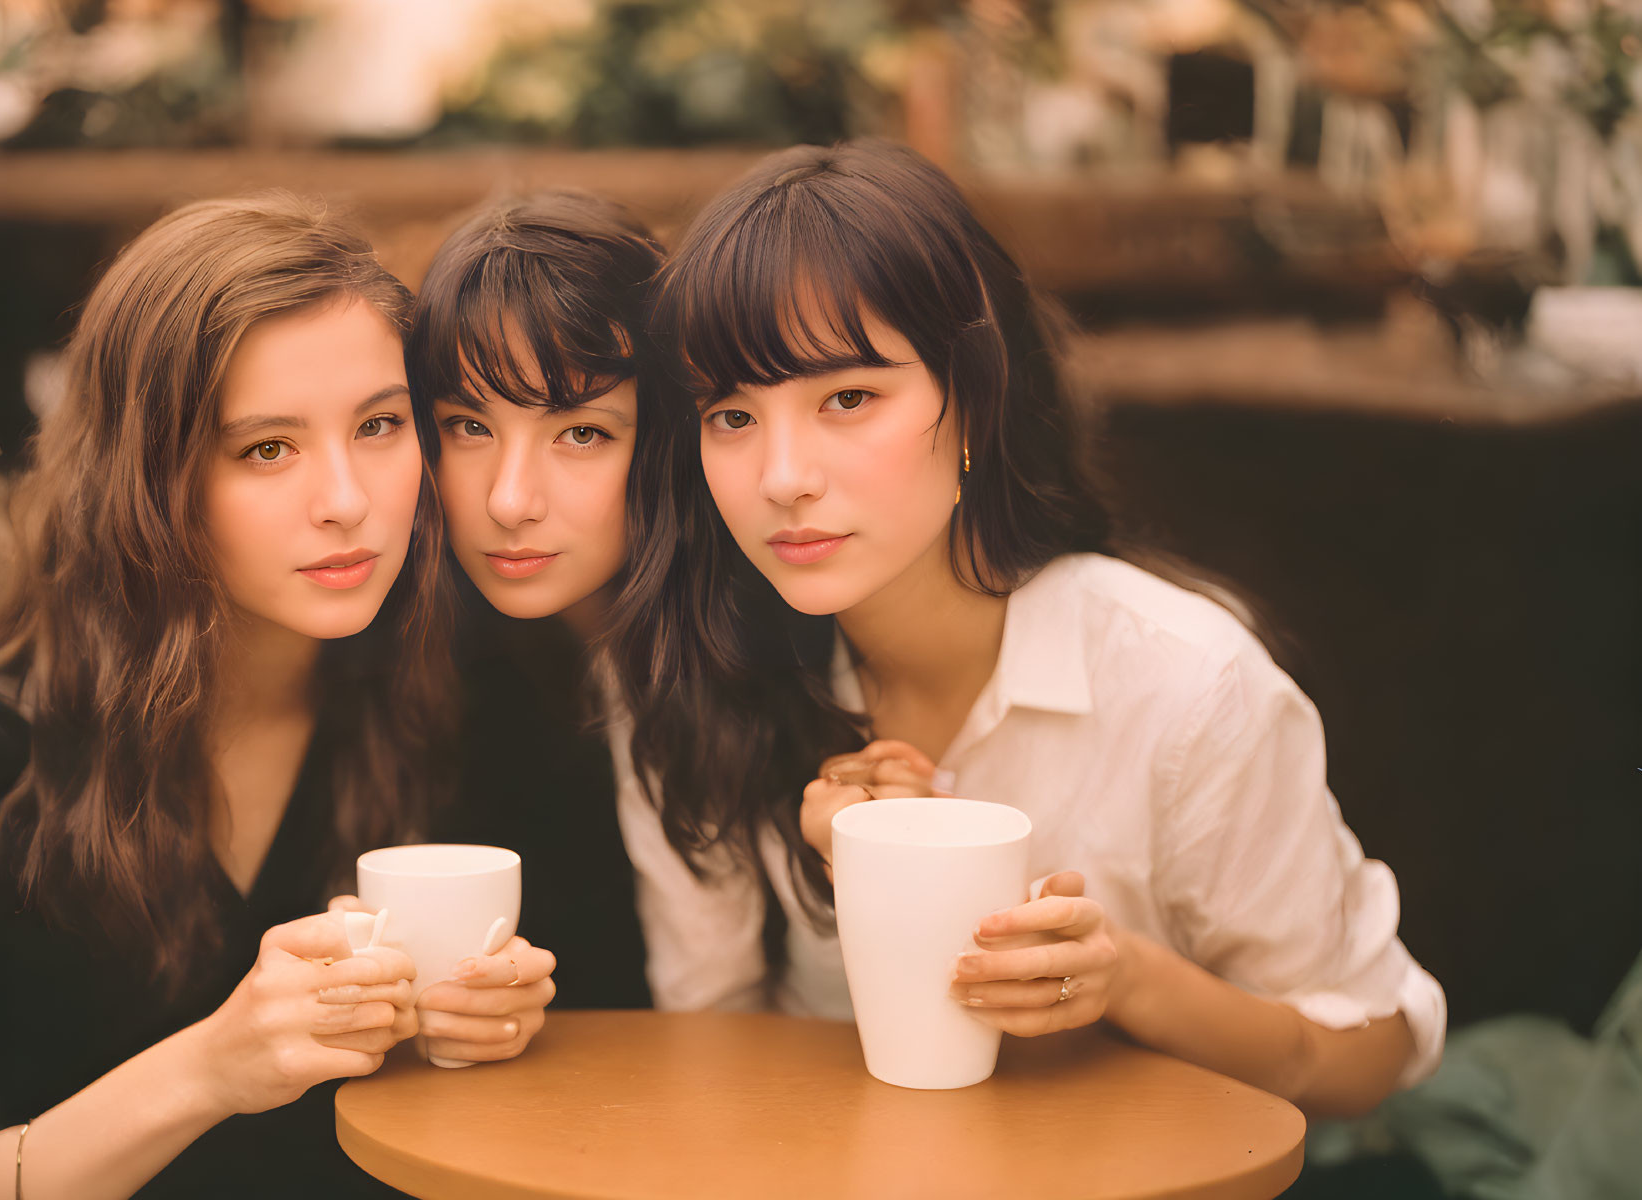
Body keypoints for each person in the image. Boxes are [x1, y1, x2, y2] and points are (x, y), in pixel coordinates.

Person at [605, 137, 1447, 1116]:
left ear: (973, 405)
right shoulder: (685, 672)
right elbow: (712, 1058)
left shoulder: (1183, 687)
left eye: (847, 398)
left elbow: (1364, 1054)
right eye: (731, 416)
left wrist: (1122, 980)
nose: (781, 476)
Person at [0, 193, 563, 1200]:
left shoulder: (489, 686)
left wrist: (510, 1030)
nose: (347, 500)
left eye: (380, 425)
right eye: (265, 450)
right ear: (147, 477)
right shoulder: (20, 739)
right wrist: (214, 1066)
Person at [405, 189, 741, 1019]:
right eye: (468, 427)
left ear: (666, 437)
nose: (510, 501)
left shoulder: (779, 639)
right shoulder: (415, 657)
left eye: (580, 433)